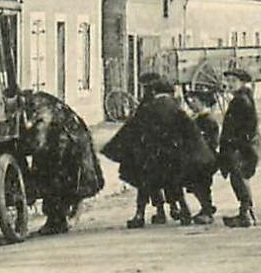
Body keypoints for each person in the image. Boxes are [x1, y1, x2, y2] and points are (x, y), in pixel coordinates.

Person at [20, 91, 104, 235]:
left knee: (54, 179)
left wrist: (26, 152)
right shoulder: (41, 101)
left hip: (68, 143)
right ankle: (60, 218)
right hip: (70, 139)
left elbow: (40, 137)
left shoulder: (39, 107)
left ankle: (56, 221)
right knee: (60, 179)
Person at [102, 73, 179, 228]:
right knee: (167, 181)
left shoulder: (148, 105)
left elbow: (135, 126)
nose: (145, 90)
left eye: (146, 87)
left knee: (145, 184)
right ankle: (174, 209)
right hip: (165, 151)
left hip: (148, 151)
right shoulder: (171, 103)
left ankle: (142, 214)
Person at [217, 68, 261, 227]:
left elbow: (249, 126)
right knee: (239, 177)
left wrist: (237, 144)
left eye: (233, 81)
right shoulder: (242, 97)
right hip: (242, 145)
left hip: (241, 147)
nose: (229, 84)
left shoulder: (241, 100)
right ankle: (246, 212)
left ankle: (246, 214)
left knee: (238, 178)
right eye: (228, 81)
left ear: (242, 83)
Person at [184, 82, 222, 224]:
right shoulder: (197, 118)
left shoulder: (209, 121)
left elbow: (213, 142)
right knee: (196, 184)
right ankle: (206, 208)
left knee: (202, 184)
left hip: (206, 159)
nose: (191, 104)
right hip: (196, 158)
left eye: (195, 101)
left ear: (203, 103)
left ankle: (207, 210)